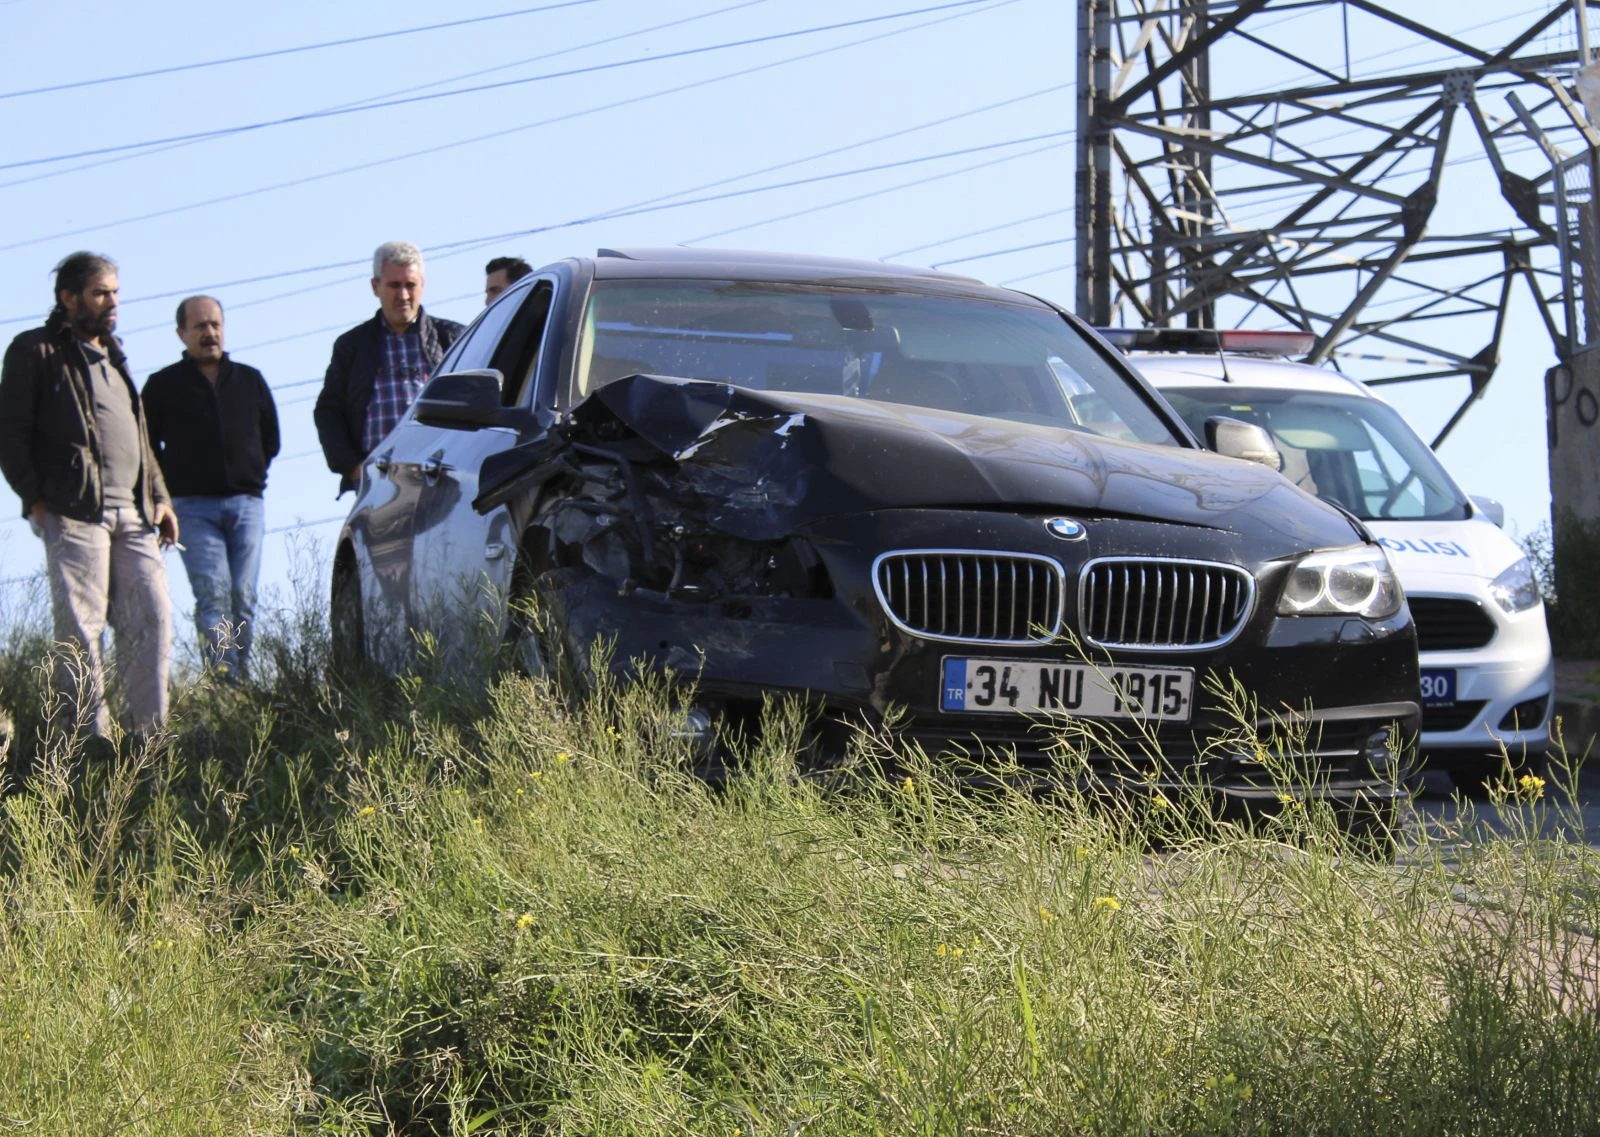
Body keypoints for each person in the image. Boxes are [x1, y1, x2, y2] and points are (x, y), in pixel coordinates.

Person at [0, 252, 177, 739]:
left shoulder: (115, 356)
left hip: (135, 513)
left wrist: (160, 497)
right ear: (69, 298)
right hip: (74, 512)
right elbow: (9, 433)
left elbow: (139, 438)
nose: (112, 301)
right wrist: (36, 500)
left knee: (154, 617)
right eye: (101, 293)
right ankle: (86, 741)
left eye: (115, 292)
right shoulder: (36, 351)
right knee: (82, 629)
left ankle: (149, 741)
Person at [143, 296, 280, 680]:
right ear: (181, 333)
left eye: (215, 324)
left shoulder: (249, 380)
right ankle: (225, 682)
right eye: (200, 326)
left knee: (244, 597)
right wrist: (163, 497)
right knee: (215, 596)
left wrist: (251, 475)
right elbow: (145, 449)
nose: (210, 333)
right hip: (192, 508)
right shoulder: (162, 386)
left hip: (247, 504)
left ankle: (243, 680)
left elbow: (270, 439)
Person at [314, 241, 464, 494]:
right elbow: (328, 412)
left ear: (422, 286)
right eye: (394, 285)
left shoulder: (452, 338)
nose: (403, 295)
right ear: (376, 287)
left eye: (410, 285)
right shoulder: (352, 346)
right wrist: (353, 467)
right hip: (377, 484)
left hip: (442, 478)